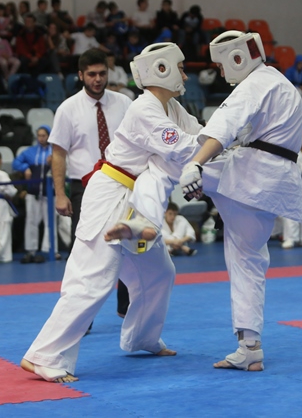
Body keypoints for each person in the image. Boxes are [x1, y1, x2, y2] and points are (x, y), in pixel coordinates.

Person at [21, 42, 201, 383]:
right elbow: (185, 147)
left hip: (136, 199)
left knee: (159, 272)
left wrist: (230, 138)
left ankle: (142, 337)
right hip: (109, 193)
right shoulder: (145, 109)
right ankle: (44, 355)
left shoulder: (172, 108)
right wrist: (227, 147)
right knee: (94, 277)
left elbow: (201, 136)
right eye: (180, 68)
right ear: (162, 70)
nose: (185, 75)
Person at [177, 30, 302, 371]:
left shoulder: (255, 84)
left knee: (175, 160)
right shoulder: (281, 83)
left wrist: (195, 165)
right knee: (247, 258)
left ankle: (140, 214)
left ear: (238, 58)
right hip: (270, 180)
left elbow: (224, 127)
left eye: (222, 65)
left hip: (253, 176)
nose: (221, 72)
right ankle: (250, 346)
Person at [48, 48, 132, 326]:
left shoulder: (124, 103)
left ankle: (127, 307)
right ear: (81, 75)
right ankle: (81, 316)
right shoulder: (68, 108)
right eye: (92, 74)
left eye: (102, 74)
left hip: (121, 183)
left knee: (130, 245)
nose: (98, 79)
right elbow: (58, 154)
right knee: (84, 251)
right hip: (83, 186)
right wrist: (60, 194)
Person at [13, 125, 57, 263]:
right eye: (39, 136)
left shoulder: (55, 151)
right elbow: (15, 163)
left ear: (49, 136)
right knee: (31, 221)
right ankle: (30, 250)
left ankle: (51, 250)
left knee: (50, 222)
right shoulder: (30, 152)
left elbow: (65, 166)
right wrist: (25, 168)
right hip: (33, 192)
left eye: (44, 136)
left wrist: (54, 162)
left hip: (50, 193)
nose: (41, 138)